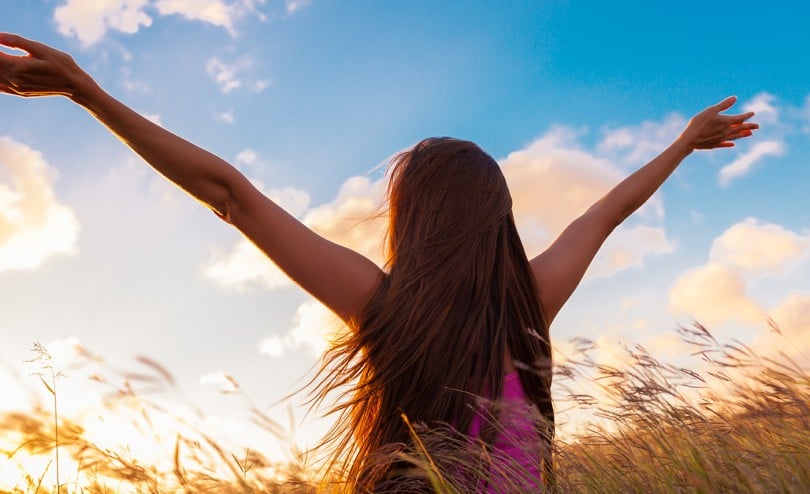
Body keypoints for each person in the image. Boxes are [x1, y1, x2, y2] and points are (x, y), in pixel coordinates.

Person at [0, 33, 757, 492]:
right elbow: (606, 211)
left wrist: (89, 94)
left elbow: (232, 194)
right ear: (499, 218)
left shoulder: (389, 308)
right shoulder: (531, 302)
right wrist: (682, 143)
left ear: (414, 219)